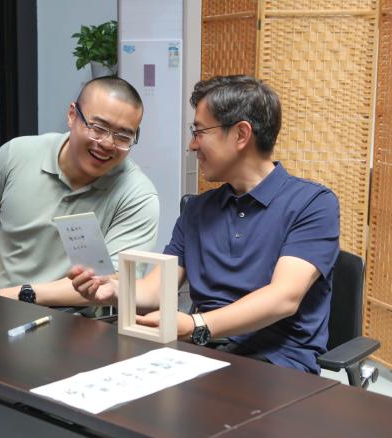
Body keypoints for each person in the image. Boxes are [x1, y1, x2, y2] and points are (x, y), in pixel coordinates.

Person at [69, 75, 340, 374]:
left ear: (240, 135)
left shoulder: (313, 204)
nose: (192, 145)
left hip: (278, 366)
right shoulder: (198, 209)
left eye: (199, 132)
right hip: (202, 354)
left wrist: (197, 325)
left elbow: (284, 297)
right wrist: (113, 290)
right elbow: (156, 290)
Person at [0, 76, 159, 307]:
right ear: (72, 115)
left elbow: (113, 281)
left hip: (70, 318)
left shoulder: (138, 196)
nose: (108, 143)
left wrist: (20, 294)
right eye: (98, 128)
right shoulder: (18, 153)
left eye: (123, 136)